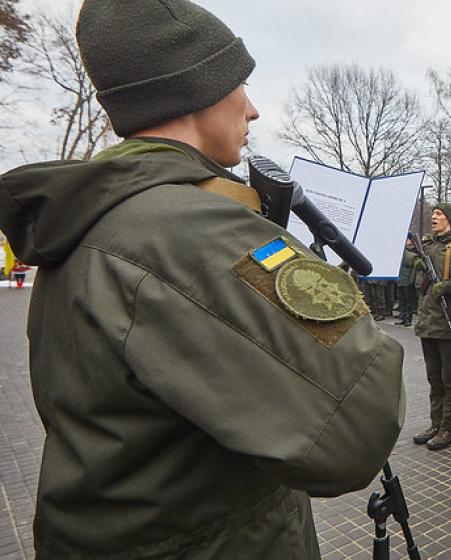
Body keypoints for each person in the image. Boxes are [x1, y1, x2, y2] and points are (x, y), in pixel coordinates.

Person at [0, 1, 405, 557]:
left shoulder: (92, 219)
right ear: (198, 91)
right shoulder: (194, 229)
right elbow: (357, 430)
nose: (253, 110)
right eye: (240, 84)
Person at [411, 203, 451, 451]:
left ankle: (449, 428)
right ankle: (435, 424)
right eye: (433, 214)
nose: (434, 217)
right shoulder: (428, 246)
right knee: (434, 378)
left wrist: (448, 287)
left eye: (439, 214)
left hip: (449, 322)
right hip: (428, 322)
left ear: (449, 219)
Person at [396, 235, 418, 326]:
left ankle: (408, 319)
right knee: (402, 301)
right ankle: (403, 317)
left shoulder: (412, 256)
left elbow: (413, 271)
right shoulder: (398, 256)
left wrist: (411, 281)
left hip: (407, 281)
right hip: (400, 280)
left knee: (408, 301)